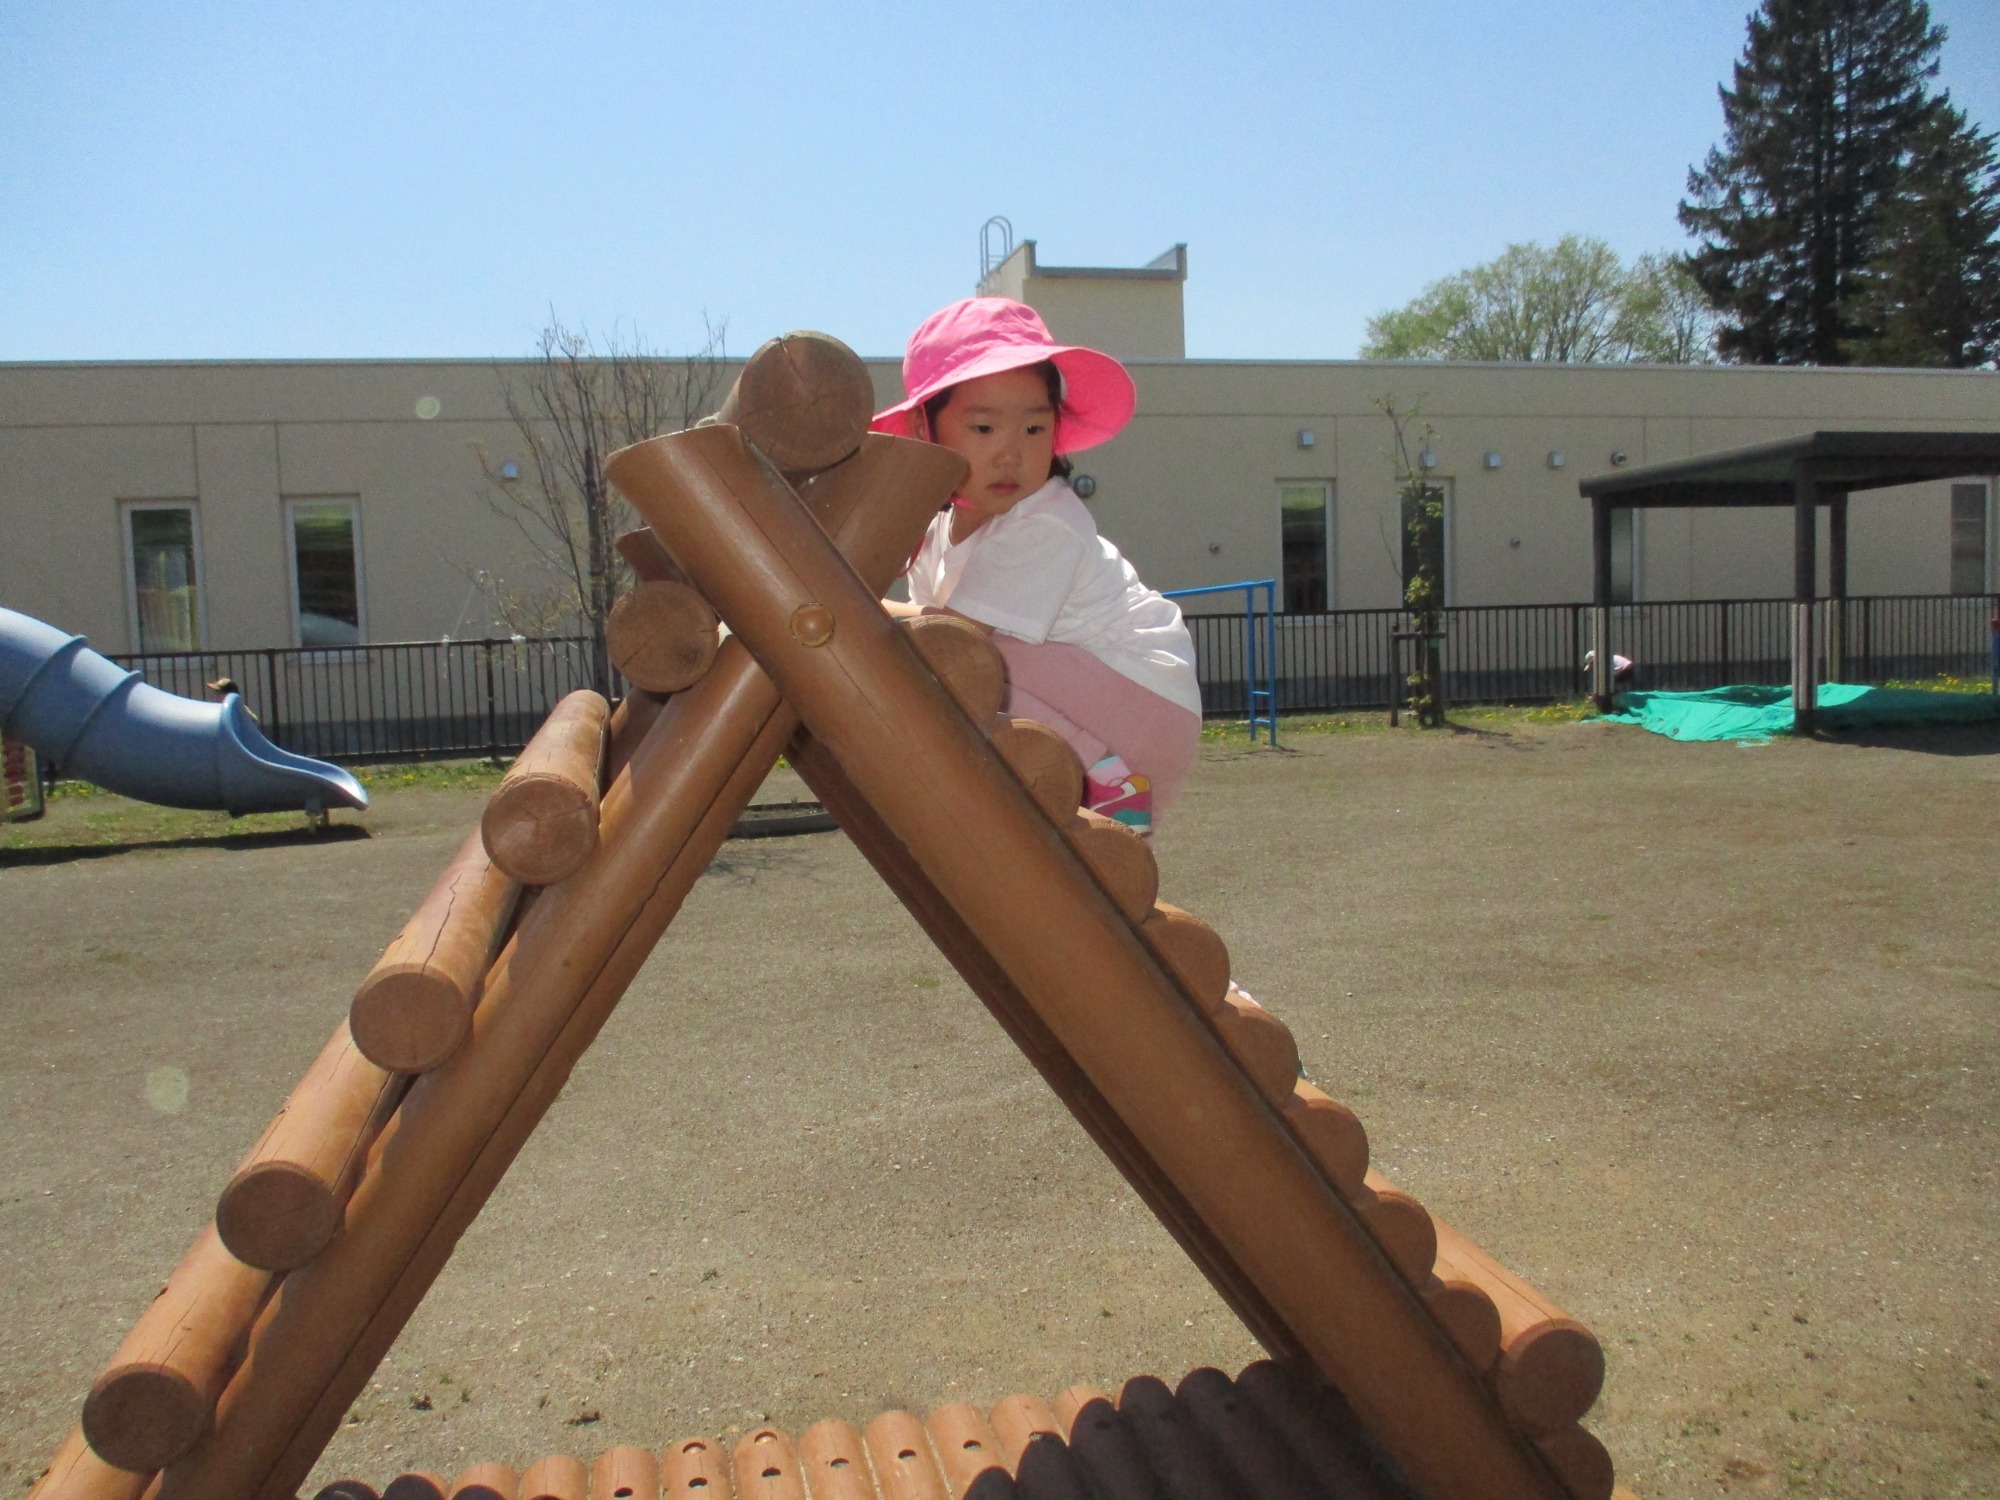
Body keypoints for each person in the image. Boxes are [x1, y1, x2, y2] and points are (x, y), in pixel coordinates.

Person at [873, 297, 1201, 836]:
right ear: (923, 427)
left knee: (963, 656)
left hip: (1138, 703)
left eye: (1033, 430)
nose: (1011, 454)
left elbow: (953, 643)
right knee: (941, 666)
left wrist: (844, 603)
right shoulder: (935, 536)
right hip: (1089, 707)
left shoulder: (1045, 521)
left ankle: (1105, 786)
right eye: (983, 429)